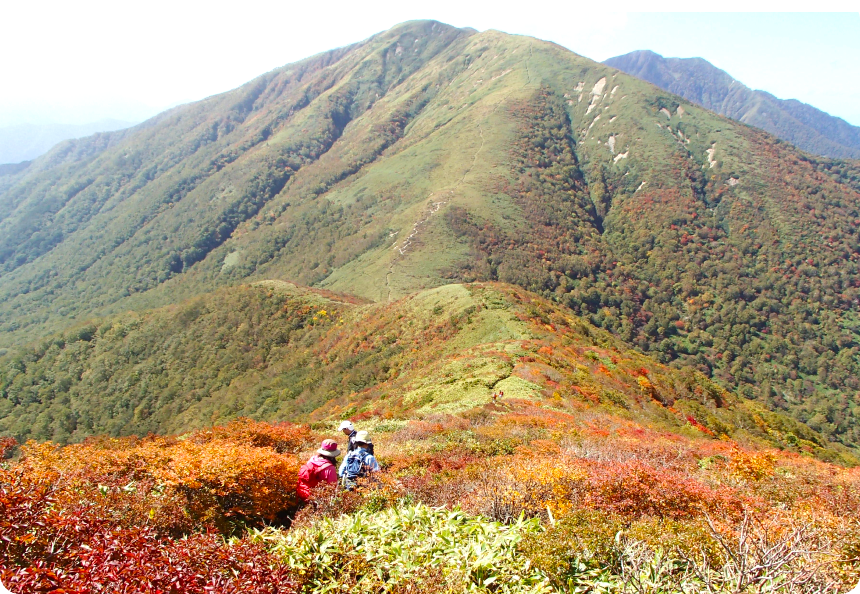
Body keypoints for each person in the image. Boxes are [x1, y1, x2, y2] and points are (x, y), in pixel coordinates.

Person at [296, 438, 340, 503]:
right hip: (317, 498)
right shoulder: (330, 468)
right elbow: (332, 487)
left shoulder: (312, 459)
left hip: (303, 492)